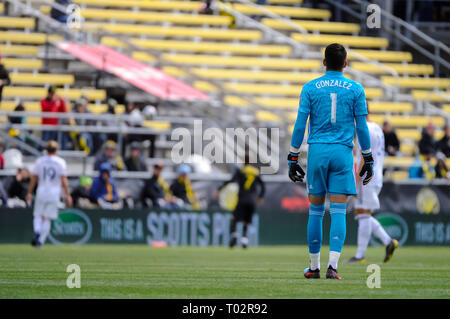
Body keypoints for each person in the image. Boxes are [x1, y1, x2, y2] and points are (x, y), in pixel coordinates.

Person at [287, 43, 374, 280]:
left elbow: (299, 125)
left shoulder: (310, 88)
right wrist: (368, 157)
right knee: (338, 212)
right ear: (345, 64)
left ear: (324, 62)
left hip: (317, 151)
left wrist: (293, 157)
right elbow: (362, 127)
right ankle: (332, 267)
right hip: (343, 153)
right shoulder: (355, 89)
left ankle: (313, 267)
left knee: (315, 211)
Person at [347, 118, 398, 264]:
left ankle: (360, 255)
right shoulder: (377, 127)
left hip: (366, 176)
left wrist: (356, 180)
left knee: (363, 213)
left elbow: (364, 155)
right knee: (362, 213)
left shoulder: (364, 129)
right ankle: (388, 241)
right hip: (377, 174)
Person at [212, 152, 265, 249]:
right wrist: (261, 197)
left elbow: (230, 181)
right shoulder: (256, 172)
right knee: (247, 220)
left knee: (234, 219)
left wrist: (218, 189)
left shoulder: (240, 171)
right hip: (252, 200)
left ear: (243, 161)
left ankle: (235, 235)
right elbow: (263, 186)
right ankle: (244, 239)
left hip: (242, 199)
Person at [26, 141, 72, 248]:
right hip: (54, 192)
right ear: (56, 150)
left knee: (38, 215)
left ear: (46, 149)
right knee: (47, 218)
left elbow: (34, 178)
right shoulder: (60, 162)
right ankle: (40, 241)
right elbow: (64, 180)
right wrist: (68, 194)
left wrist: (29, 192)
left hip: (41, 190)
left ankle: (37, 231)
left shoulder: (40, 161)